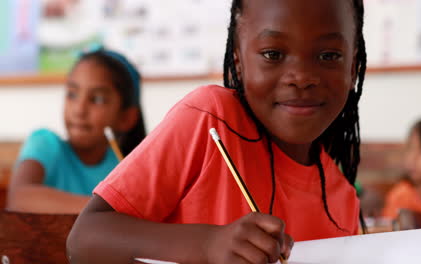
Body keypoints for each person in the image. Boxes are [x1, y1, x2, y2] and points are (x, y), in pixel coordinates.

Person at [67, 0, 368, 263]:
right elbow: (85, 240)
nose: (302, 77)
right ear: (238, 60)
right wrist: (208, 244)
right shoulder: (211, 121)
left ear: (353, 67)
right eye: (273, 54)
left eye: (329, 55)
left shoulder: (342, 202)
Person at [6, 48, 146, 214]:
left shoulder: (122, 169)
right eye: (72, 94)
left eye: (97, 99)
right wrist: (107, 211)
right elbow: (20, 198)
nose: (79, 110)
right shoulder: (45, 143)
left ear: (126, 118)